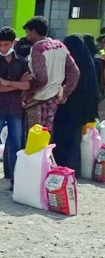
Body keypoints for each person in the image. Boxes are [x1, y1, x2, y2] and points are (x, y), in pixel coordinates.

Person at [0, 26, 28, 194]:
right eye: (0, 45)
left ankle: (16, 181)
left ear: (13, 43)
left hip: (16, 109)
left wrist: (8, 83)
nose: (3, 48)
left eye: (6, 45)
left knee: (16, 145)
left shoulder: (21, 62)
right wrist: (18, 85)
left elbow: (29, 84)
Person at [54, 34, 101, 172]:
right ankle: (73, 167)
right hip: (81, 108)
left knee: (62, 136)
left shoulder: (69, 62)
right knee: (75, 138)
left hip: (66, 105)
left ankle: (62, 165)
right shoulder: (88, 62)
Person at [23, 16, 79, 132]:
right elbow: (75, 72)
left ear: (33, 32)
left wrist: (27, 94)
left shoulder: (38, 48)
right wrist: (65, 92)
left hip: (39, 98)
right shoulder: (61, 46)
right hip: (55, 97)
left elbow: (42, 78)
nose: (26, 35)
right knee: (47, 132)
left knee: (35, 134)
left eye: (27, 32)